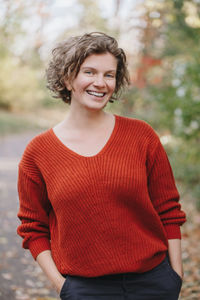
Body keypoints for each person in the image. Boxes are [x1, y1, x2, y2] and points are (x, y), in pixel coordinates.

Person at [17, 32, 186, 300]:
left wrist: (175, 275)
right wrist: (62, 286)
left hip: (154, 283)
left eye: (109, 74)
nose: (100, 83)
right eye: (89, 72)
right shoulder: (38, 152)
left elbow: (168, 210)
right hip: (85, 289)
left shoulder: (142, 136)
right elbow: (33, 227)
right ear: (67, 78)